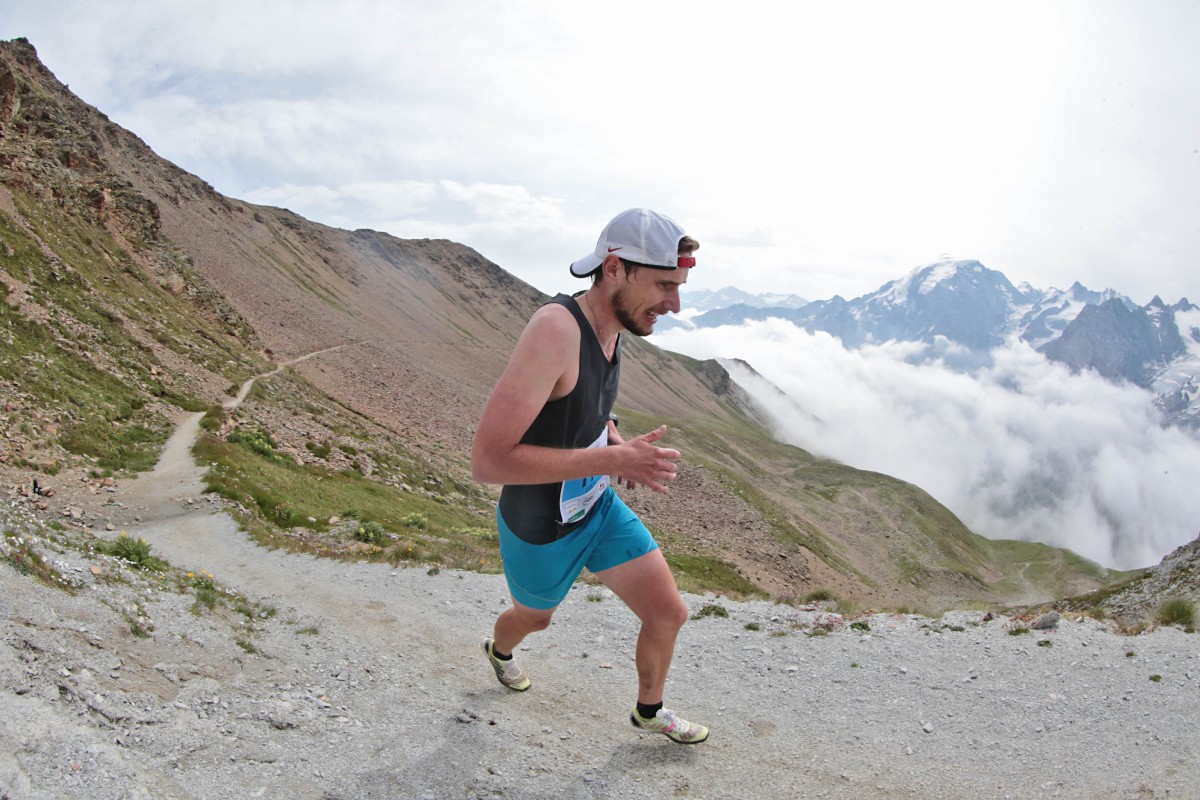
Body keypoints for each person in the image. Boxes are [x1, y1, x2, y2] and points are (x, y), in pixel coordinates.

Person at [470, 208, 708, 744]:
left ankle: (650, 711)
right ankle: (499, 650)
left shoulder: (614, 324)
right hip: (541, 526)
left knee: (668, 612)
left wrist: (614, 439)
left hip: (595, 507)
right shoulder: (556, 329)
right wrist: (611, 462)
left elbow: (584, 405)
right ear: (615, 268)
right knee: (535, 619)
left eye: (678, 286)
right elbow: (488, 461)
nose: (674, 305)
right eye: (665, 285)